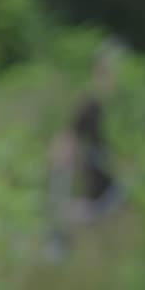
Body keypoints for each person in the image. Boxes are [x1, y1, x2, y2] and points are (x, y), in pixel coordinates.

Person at [44, 41, 125, 260]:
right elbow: (66, 137)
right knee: (76, 213)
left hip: (111, 181)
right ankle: (57, 248)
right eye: (108, 71)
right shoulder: (90, 104)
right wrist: (64, 164)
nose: (112, 79)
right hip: (99, 181)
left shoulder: (125, 107)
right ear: (99, 72)